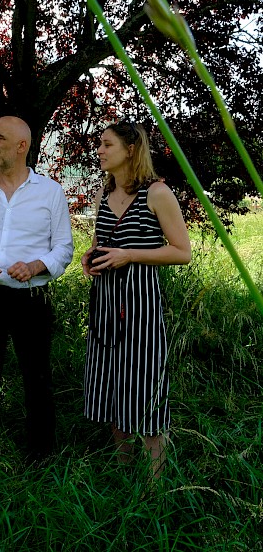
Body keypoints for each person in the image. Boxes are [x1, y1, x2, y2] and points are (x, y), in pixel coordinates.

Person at [0, 116, 74, 462]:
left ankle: (40, 456)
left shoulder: (50, 192)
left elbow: (64, 248)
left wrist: (37, 266)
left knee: (36, 378)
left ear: (22, 146)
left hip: (30, 300)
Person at [81, 119, 191, 477]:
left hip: (140, 304)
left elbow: (181, 252)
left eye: (106, 144)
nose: (99, 150)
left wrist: (129, 255)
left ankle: (154, 485)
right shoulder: (103, 194)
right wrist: (90, 256)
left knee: (144, 385)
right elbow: (101, 244)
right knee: (111, 385)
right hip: (105, 305)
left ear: (130, 149)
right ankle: (124, 473)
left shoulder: (157, 193)